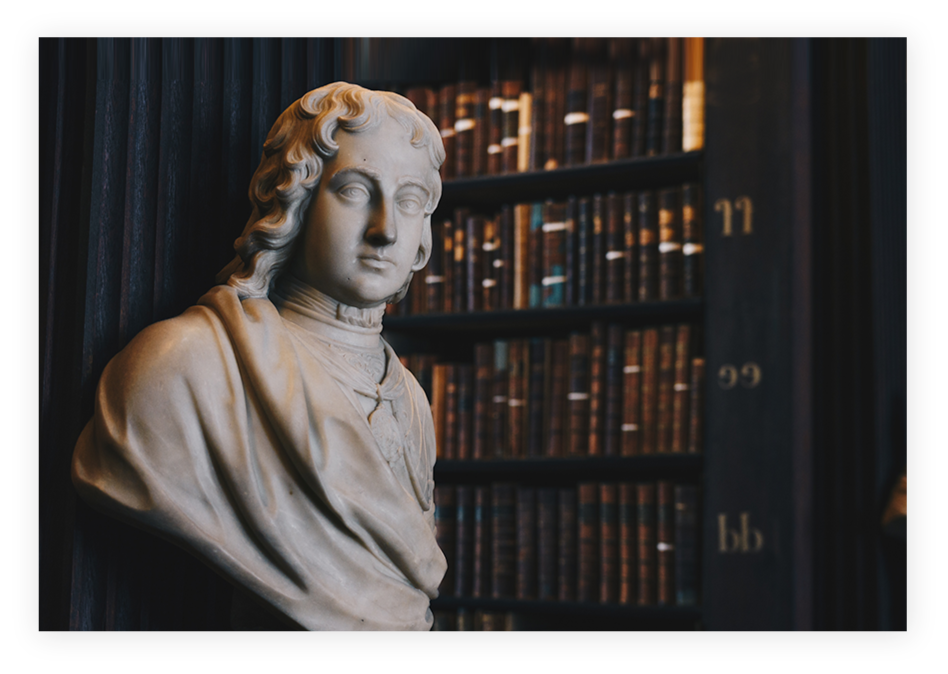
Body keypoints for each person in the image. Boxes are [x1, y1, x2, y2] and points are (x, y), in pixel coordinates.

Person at [71, 82, 448, 632]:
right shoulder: (183, 368)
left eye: (409, 200)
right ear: (295, 201)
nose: (385, 230)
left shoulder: (411, 398)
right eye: (354, 190)